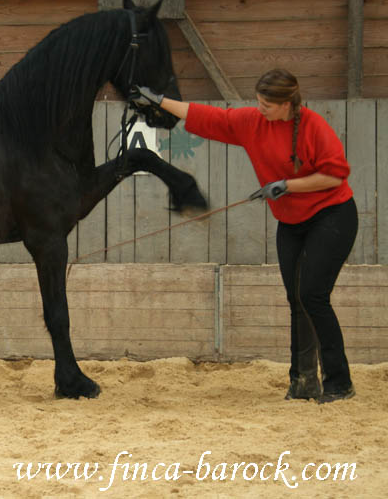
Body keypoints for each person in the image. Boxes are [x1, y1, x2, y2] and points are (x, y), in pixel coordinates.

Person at [132, 69, 358, 403]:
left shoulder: (314, 127)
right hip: (291, 222)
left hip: (332, 215)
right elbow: (207, 117)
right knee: (296, 298)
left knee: (312, 295)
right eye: (259, 102)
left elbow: (335, 176)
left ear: (286, 104)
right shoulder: (253, 123)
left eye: (267, 104)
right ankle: (303, 381)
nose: (260, 108)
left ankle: (339, 382)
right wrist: (160, 101)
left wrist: (287, 185)